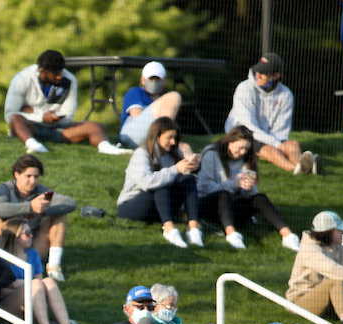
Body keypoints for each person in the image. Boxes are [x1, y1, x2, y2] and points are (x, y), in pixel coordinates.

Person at [3, 49, 129, 157]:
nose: (59, 76)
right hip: (31, 127)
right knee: (15, 119)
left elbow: (68, 116)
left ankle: (107, 148)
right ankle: (34, 145)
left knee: (95, 126)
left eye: (61, 72)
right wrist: (42, 117)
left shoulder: (69, 80)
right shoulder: (21, 79)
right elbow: (9, 114)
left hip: (58, 128)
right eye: (55, 73)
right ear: (42, 71)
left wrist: (40, 114)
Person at [197, 125, 299, 252]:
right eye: (240, 148)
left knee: (260, 198)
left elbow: (250, 194)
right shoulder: (212, 153)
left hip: (234, 206)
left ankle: (288, 235)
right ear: (229, 142)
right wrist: (233, 183)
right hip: (210, 205)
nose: (243, 152)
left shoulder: (247, 158)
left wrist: (250, 187)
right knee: (224, 194)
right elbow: (203, 187)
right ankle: (232, 234)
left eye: (246, 149)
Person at [116, 117, 203, 249]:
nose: (173, 142)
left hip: (160, 205)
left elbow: (178, 181)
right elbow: (147, 182)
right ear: (157, 135)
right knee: (160, 184)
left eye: (175, 137)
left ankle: (193, 230)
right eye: (169, 137)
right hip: (131, 207)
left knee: (188, 180)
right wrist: (175, 169)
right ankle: (169, 230)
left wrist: (192, 169)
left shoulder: (173, 153)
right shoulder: (142, 153)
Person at [224, 53, 318, 175]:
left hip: (269, 137)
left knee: (293, 144)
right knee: (270, 150)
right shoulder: (244, 88)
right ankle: (297, 170)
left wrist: (279, 143)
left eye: (263, 73)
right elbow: (248, 127)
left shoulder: (286, 95)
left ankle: (303, 167)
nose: (257, 75)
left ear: (276, 76)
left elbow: (281, 130)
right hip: (244, 135)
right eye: (258, 70)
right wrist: (276, 145)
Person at [0, 155, 76, 281]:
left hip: (32, 244)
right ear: (16, 175)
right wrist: (29, 207)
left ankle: (53, 266)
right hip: (8, 246)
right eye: (28, 176)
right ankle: (10, 265)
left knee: (59, 214)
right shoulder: (5, 188)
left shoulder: (40, 191)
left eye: (36, 177)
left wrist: (40, 210)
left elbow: (70, 203)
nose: (33, 181)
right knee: (7, 218)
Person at [0, 218, 77, 324]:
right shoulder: (1, 257)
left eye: (31, 232)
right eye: (27, 233)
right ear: (14, 235)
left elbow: (39, 281)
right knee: (36, 283)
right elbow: (0, 290)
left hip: (31, 300)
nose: (31, 236)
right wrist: (27, 286)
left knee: (48, 281)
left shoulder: (32, 254)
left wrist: (18, 284)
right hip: (8, 305)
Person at [286, 212, 343, 324]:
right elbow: (334, 269)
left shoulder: (337, 247)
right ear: (328, 232)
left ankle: (340, 313)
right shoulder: (310, 249)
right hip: (301, 301)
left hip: (329, 299)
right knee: (336, 279)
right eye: (339, 230)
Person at [119, 61, 184, 150]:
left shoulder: (163, 101)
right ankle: (164, 139)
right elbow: (137, 115)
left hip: (152, 136)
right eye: (151, 79)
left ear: (164, 81)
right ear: (143, 80)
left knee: (184, 148)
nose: (154, 82)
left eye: (157, 79)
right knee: (174, 96)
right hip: (132, 133)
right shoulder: (135, 92)